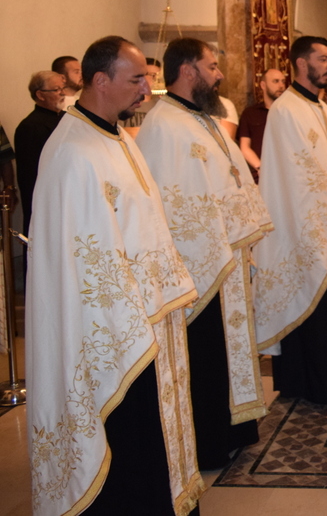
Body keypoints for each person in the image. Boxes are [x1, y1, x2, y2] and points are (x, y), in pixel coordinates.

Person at [27, 35, 202, 516]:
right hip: (109, 327)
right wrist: (131, 312)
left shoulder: (119, 136)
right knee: (125, 435)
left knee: (147, 434)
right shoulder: (72, 152)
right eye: (137, 79)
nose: (146, 88)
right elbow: (83, 258)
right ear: (100, 81)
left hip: (145, 315)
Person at [136, 37, 273, 470]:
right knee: (205, 354)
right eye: (211, 67)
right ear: (188, 70)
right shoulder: (164, 126)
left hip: (224, 258)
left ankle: (231, 430)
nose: (219, 75)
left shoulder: (202, 119)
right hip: (197, 265)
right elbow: (171, 202)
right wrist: (209, 248)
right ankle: (208, 443)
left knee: (223, 350)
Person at [253, 36, 327, 404]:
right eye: (323, 58)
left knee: (323, 303)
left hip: (326, 220)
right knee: (306, 297)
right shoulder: (286, 110)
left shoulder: (320, 107)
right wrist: (326, 214)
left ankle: (325, 374)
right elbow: (296, 175)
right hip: (300, 223)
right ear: (302, 63)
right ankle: (309, 382)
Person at [14, 71, 63, 234]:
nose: (62, 93)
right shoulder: (30, 127)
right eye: (56, 90)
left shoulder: (67, 119)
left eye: (62, 88)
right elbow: (30, 174)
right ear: (40, 95)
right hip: (46, 198)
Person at [237, 67, 286, 181]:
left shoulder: (290, 113)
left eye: (283, 81)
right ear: (263, 85)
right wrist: (261, 168)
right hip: (260, 175)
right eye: (276, 81)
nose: (281, 86)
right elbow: (245, 147)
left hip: (286, 172)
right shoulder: (250, 113)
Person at [120, 57, 162, 136]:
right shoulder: (127, 103)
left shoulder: (160, 105)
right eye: (152, 75)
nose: (156, 79)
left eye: (158, 76)